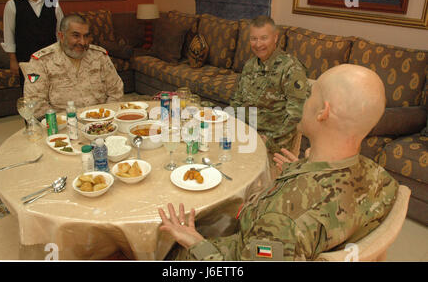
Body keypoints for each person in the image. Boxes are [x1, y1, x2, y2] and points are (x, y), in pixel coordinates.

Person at [158, 64, 398, 261]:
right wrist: (300, 174)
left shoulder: (283, 219)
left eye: (309, 92)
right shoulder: (381, 178)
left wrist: (195, 242)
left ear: (323, 113)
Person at [230, 16, 310, 156]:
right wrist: (233, 127)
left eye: (263, 38)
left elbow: (296, 114)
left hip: (271, 142)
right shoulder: (250, 65)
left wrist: (269, 142)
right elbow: (237, 100)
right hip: (245, 134)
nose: (258, 44)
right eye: (253, 39)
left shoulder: (291, 68)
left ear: (275, 38)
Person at [22, 14, 124, 118]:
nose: (83, 42)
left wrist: (107, 116)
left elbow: (116, 91)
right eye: (76, 36)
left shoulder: (99, 56)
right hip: (61, 124)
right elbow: (35, 103)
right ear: (61, 36)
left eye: (86, 36)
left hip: (101, 120)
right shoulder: (42, 61)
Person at [1, 0, 64, 87]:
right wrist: (13, 60)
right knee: (31, 92)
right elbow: (8, 34)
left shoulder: (51, 2)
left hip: (50, 58)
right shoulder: (13, 4)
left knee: (52, 91)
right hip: (26, 59)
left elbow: (61, 33)